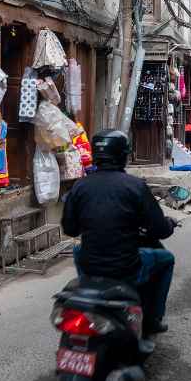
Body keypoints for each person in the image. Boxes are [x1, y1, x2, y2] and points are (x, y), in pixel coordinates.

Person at [62, 129, 176, 335]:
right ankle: (153, 319)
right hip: (126, 266)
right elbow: (160, 229)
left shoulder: (80, 187)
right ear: (124, 155)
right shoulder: (135, 186)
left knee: (79, 250)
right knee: (166, 259)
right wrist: (169, 224)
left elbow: (70, 229)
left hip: (91, 266)